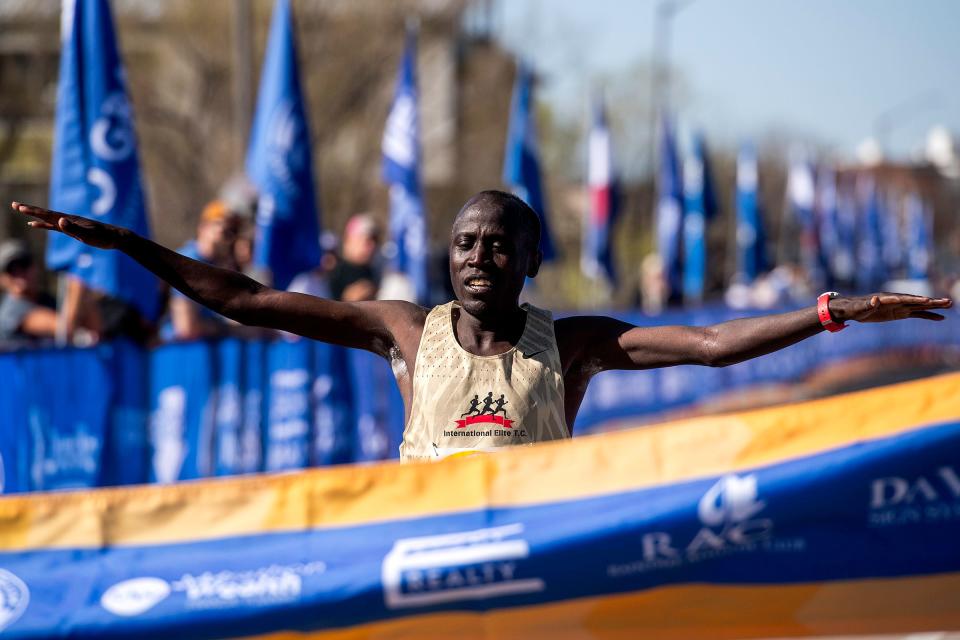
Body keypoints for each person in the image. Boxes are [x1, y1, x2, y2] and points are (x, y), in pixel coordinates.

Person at [11, 192, 953, 461]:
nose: (476, 258)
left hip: (538, 559)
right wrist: (119, 240)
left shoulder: (573, 341)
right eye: (464, 244)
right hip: (420, 556)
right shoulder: (398, 329)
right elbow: (249, 301)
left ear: (530, 259)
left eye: (498, 246)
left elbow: (712, 347)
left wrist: (840, 309)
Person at [162, 199, 243, 341]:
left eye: (234, 232)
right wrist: (229, 330)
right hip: (180, 354)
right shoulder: (187, 262)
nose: (230, 239)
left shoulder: (220, 265)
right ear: (204, 227)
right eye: (226, 231)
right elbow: (186, 328)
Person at [0, 239, 57, 348]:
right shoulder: (10, 311)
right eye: (11, 269)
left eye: (24, 264)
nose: (19, 273)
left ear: (35, 267)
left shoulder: (49, 300)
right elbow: (62, 327)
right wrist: (78, 276)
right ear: (2, 279)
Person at [327, 214, 381, 302]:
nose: (373, 246)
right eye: (367, 240)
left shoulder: (376, 271)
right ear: (349, 240)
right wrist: (347, 301)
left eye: (375, 240)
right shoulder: (331, 272)